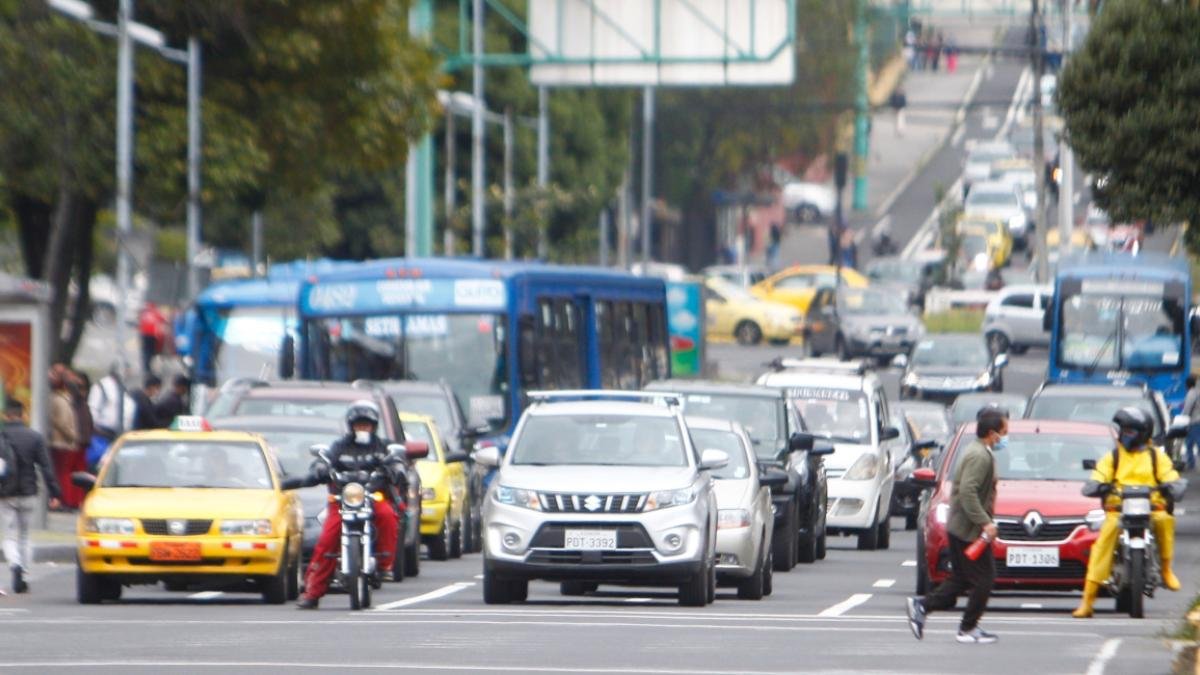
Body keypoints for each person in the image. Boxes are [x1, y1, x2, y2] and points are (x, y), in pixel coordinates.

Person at [1072, 407, 1187, 618]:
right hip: (1118, 510)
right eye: (1123, 430)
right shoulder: (1113, 456)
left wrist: (1173, 485)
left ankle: (1166, 569)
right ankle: (1088, 600)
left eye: (1130, 431)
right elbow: (1099, 474)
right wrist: (1097, 484)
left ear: (1143, 433)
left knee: (1165, 521)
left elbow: (1169, 474)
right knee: (1103, 542)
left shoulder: (1155, 457)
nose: (1125, 435)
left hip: (1152, 508)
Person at [906, 407, 1006, 644]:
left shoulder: (979, 452)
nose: (1004, 437)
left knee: (960, 579)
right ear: (991, 433)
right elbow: (968, 493)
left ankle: (922, 606)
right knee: (985, 579)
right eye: (1003, 432)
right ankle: (968, 627)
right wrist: (985, 523)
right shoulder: (979, 456)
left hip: (961, 527)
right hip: (967, 530)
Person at [295, 401, 402, 609]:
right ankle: (312, 592)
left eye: (367, 425)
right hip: (342, 500)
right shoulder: (339, 447)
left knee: (388, 515)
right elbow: (324, 461)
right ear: (351, 426)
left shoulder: (382, 447)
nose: (363, 428)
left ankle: (383, 565)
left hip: (373, 497)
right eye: (359, 425)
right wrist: (320, 468)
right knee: (327, 539)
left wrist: (397, 469)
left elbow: (395, 462)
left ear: (374, 426)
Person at [0, 400, 63, 593]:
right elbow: (46, 466)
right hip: (29, 493)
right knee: (25, 535)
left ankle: (15, 564)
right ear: (22, 415)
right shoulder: (34, 437)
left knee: (9, 536)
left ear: (6, 415)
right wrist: (54, 492)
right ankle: (24, 572)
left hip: (5, 494)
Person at [87, 364, 135, 471]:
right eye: (127, 370)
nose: (128, 374)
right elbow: (92, 410)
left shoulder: (123, 388)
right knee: (100, 467)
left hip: (118, 437)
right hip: (101, 437)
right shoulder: (102, 386)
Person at [47, 366, 82, 510]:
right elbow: (64, 422)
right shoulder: (63, 400)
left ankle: (63, 500)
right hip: (64, 442)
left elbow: (61, 422)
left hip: (60, 442)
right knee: (64, 474)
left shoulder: (58, 400)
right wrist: (73, 436)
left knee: (62, 473)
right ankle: (65, 500)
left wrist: (71, 435)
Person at [138, 302, 167, 376]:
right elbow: (164, 320)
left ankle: (145, 366)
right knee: (150, 351)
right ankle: (147, 367)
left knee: (145, 351)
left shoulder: (144, 313)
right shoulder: (156, 312)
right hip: (152, 335)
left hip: (144, 335)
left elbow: (140, 323)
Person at [1184, 375, 1200, 471]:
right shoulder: (1198, 392)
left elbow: (1187, 408)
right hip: (1197, 420)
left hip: (1194, 421)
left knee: (1192, 442)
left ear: (1187, 385)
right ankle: (1191, 462)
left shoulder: (1191, 394)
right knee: (1191, 442)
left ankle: (1191, 463)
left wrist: (1183, 416)